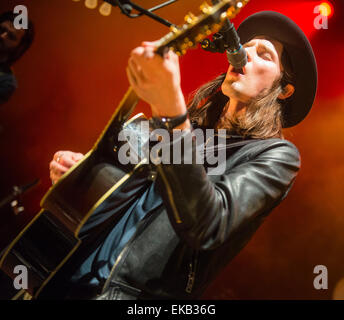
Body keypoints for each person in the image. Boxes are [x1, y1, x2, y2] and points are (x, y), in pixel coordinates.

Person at [40, 11, 317, 300]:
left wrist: (171, 111)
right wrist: (82, 177)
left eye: (264, 55)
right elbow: (123, 190)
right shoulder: (188, 129)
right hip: (65, 277)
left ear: (284, 90)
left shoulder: (276, 156)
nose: (245, 55)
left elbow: (208, 224)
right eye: (245, 47)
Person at [0, 11, 34, 105]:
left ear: (19, 47)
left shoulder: (7, 81)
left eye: (11, 36)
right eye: (1, 30)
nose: (2, 36)